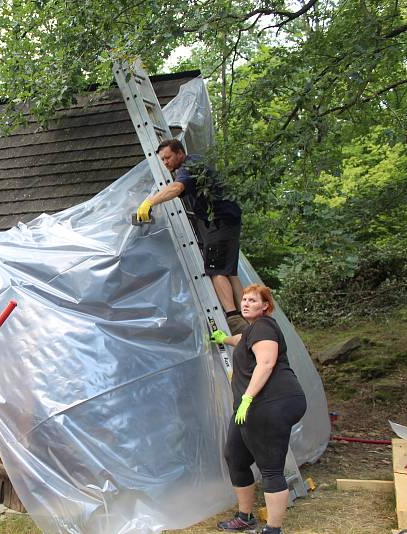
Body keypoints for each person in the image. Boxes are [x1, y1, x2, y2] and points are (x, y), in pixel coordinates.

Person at [209, 284, 307, 534]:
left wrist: (248, 398)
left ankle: (273, 529)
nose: (245, 303)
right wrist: (223, 339)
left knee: (271, 467)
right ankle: (245, 517)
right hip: (251, 407)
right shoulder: (254, 330)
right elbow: (241, 340)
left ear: (265, 306)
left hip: (271, 403)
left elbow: (266, 362)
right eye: (243, 299)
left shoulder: (264, 326)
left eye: (252, 300)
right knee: (236, 457)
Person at [135, 139, 247, 334]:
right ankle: (248, 312)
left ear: (180, 153)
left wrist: (150, 202)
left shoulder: (189, 166)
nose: (166, 163)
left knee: (215, 270)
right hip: (228, 219)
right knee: (229, 270)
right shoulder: (196, 163)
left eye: (168, 157)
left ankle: (233, 318)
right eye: (162, 160)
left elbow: (177, 188)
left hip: (219, 221)